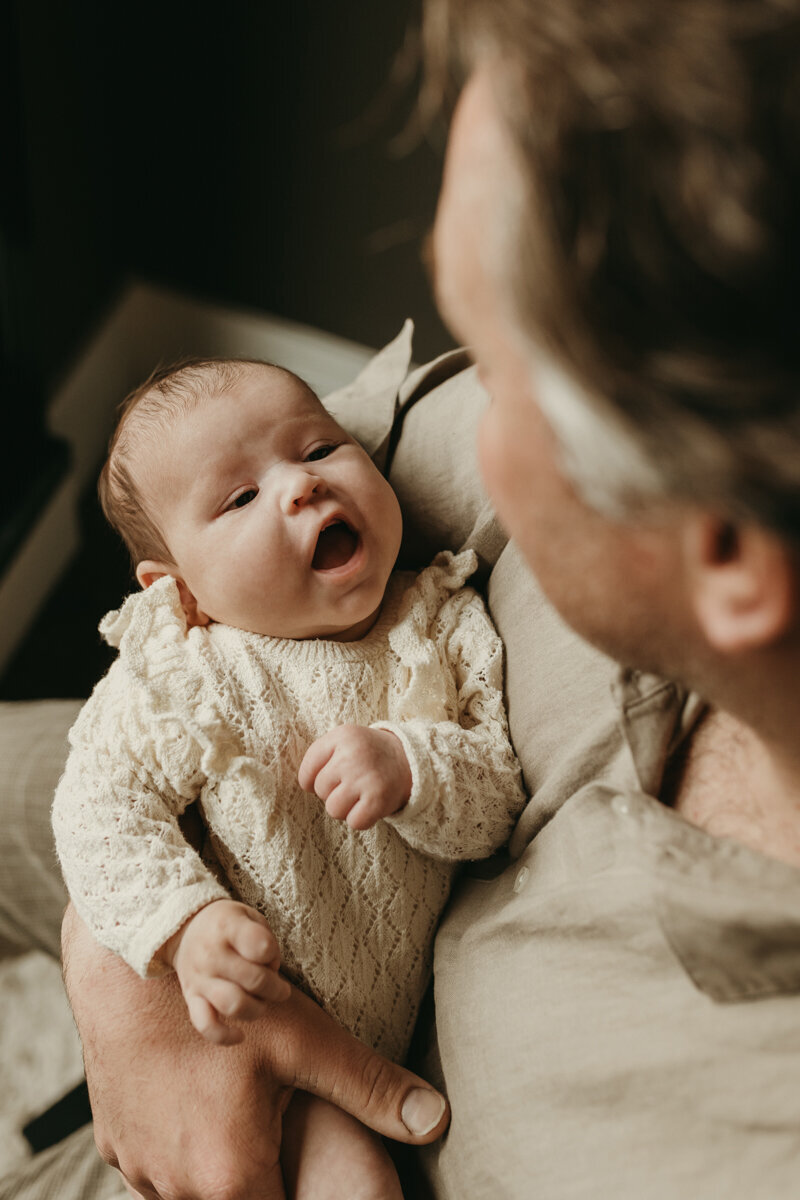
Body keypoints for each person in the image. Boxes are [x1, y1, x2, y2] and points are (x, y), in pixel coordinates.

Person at [2, 0, 800, 1196]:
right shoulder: (193, 650)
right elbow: (101, 802)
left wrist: (408, 767)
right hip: (189, 867)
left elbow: (474, 777)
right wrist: (128, 956)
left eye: (513, 366)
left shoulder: (704, 1138)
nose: (454, 432)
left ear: (724, 550)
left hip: (328, 1083)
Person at [51, 355, 524, 1198]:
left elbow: (495, 793)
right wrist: (185, 926)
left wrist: (412, 764)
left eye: (319, 449)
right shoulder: (185, 666)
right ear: (181, 590)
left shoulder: (441, 619)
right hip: (233, 1021)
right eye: (239, 499)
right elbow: (98, 809)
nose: (300, 488)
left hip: (373, 1031)